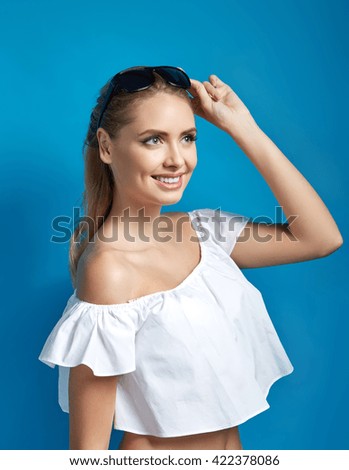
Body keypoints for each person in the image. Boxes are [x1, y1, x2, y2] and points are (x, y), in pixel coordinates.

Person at [38, 65, 343, 450]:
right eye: (153, 140)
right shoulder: (108, 270)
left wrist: (242, 128)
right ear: (106, 146)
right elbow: (87, 453)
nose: (177, 160)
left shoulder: (202, 231)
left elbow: (320, 238)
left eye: (187, 137)